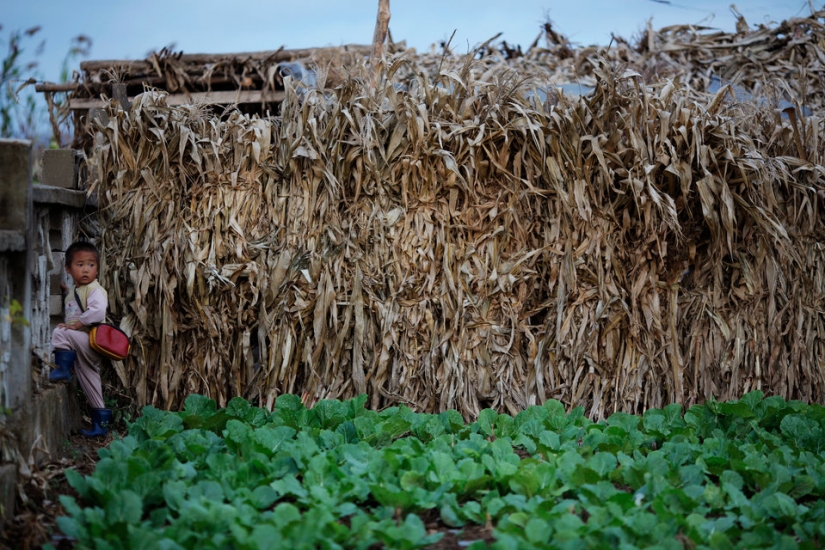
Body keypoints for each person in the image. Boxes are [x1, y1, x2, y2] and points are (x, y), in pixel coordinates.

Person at [49, 241, 112, 438]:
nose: (86, 270)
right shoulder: (78, 291)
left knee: (60, 332)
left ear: (97, 268)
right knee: (90, 380)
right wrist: (68, 291)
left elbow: (97, 311)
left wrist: (75, 326)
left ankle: (63, 370)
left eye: (91, 265)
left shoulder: (95, 289)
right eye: (80, 264)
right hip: (85, 344)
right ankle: (100, 425)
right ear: (68, 268)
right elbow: (76, 304)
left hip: (89, 339)